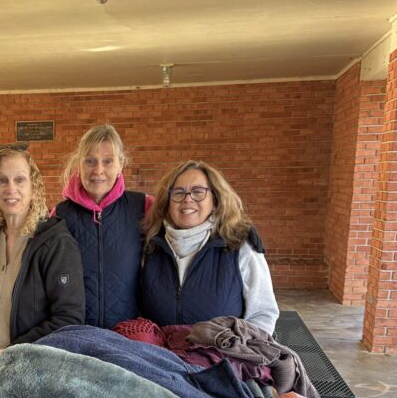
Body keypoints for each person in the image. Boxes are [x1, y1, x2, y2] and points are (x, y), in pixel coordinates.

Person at [0, 147, 85, 372]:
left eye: (20, 180)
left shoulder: (56, 243)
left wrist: (13, 351)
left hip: (34, 373)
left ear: (34, 188)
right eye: (1, 180)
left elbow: (69, 319)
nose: (10, 188)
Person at [138, 159, 279, 333]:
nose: (187, 199)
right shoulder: (150, 247)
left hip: (222, 357)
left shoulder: (240, 246)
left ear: (215, 200)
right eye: (178, 192)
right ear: (167, 203)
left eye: (198, 192)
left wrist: (239, 353)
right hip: (159, 357)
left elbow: (262, 313)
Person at [55, 124, 148, 329]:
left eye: (108, 161)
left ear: (120, 164)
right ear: (79, 164)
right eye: (90, 161)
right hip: (76, 332)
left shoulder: (143, 206)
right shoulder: (59, 215)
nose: (98, 170)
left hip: (129, 334)